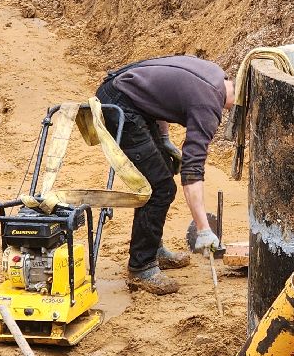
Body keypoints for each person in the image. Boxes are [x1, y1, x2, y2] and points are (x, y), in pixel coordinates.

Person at [96, 55, 235, 295]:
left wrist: (163, 139)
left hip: (128, 93)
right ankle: (141, 267)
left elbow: (159, 93)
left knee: (161, 174)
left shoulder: (215, 75)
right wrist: (203, 228)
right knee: (160, 187)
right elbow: (192, 170)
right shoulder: (209, 105)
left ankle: (154, 249)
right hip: (120, 104)